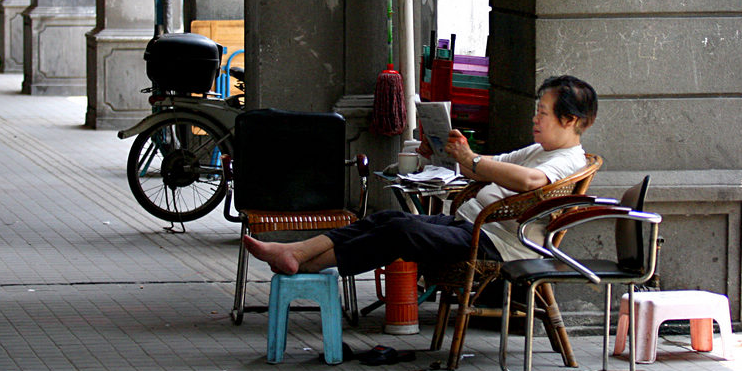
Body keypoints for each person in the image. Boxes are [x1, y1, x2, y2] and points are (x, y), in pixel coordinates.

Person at [242, 74, 598, 277]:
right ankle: (298, 254)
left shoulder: (568, 160)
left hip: (496, 244)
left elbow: (529, 182)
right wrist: (452, 147)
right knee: (389, 217)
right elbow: (491, 162)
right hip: (471, 227)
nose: (536, 120)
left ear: (570, 120)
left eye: (544, 114)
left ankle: (300, 262)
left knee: (400, 231)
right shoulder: (540, 150)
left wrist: (470, 159)